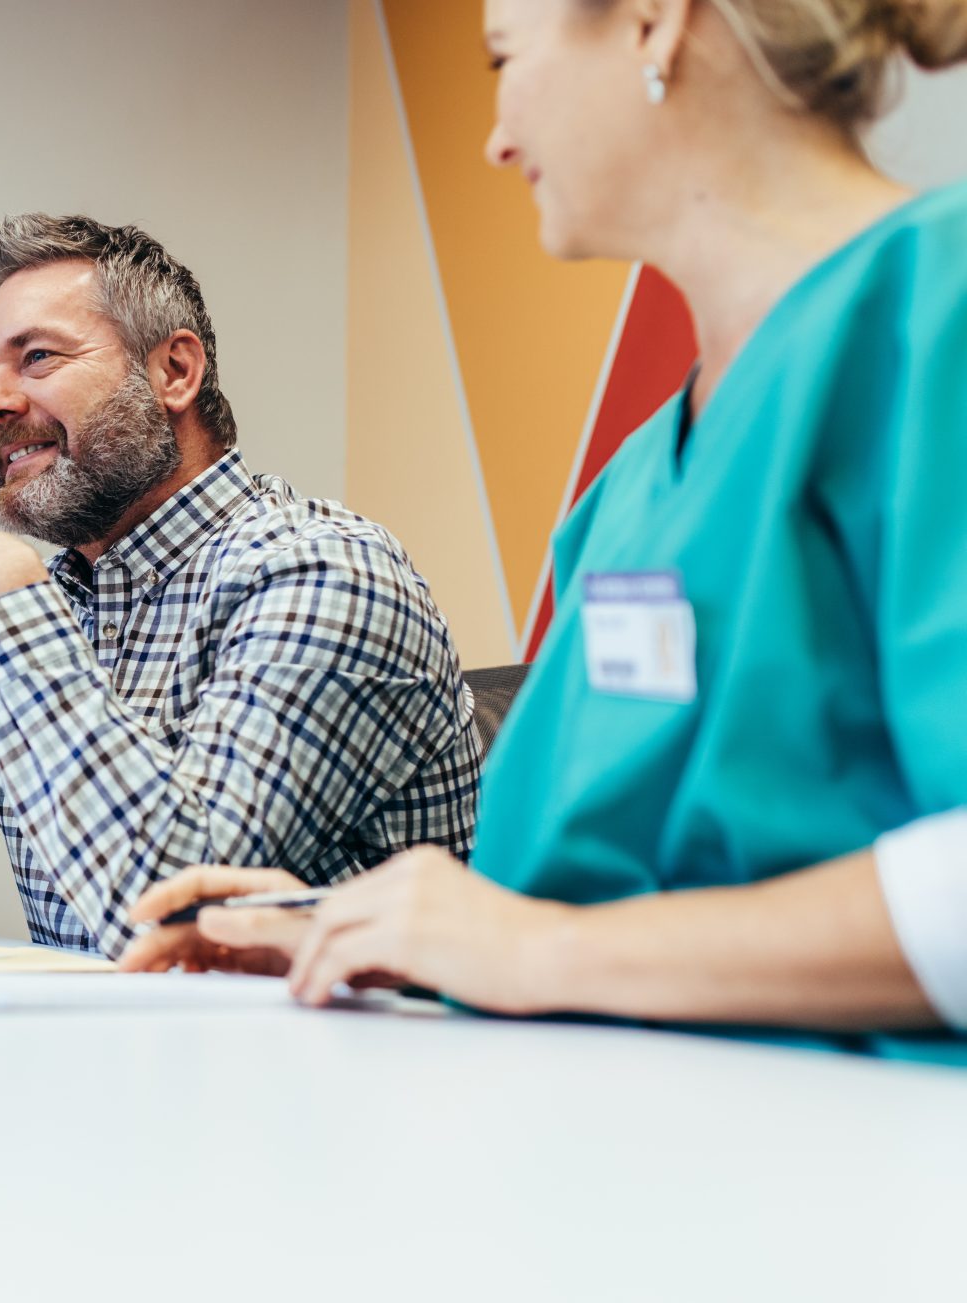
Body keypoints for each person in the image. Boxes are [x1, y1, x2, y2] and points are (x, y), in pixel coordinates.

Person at [124, 0, 967, 1057]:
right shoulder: (625, 498)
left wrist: (532, 951)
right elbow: (595, 900)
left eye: (501, 59)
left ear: (654, 23)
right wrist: (385, 935)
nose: (493, 137)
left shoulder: (936, 307)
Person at [0, 215, 483, 958]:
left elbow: (175, 929)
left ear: (174, 371)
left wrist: (9, 604)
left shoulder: (326, 573)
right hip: (126, 1063)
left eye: (38, 357)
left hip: (333, 1068)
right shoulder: (56, 601)